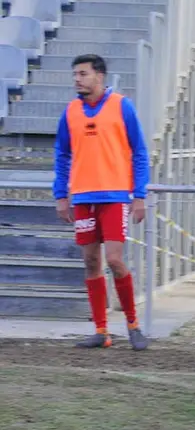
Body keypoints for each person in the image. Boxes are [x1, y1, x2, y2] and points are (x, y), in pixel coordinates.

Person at [52, 53, 150, 351]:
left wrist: (139, 195)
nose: (77, 80)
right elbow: (62, 155)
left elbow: (140, 152)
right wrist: (61, 195)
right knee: (90, 261)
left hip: (116, 196)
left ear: (99, 76)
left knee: (115, 260)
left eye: (82, 74)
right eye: (75, 75)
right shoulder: (70, 112)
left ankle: (133, 325)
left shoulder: (122, 106)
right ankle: (101, 331)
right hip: (83, 197)